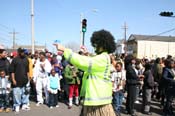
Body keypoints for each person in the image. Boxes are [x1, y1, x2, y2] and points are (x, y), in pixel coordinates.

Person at [54, 29, 116, 116]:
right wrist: (87, 53)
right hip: (97, 101)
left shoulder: (102, 58)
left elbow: (84, 62)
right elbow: (92, 60)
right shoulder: (103, 57)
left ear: (103, 45)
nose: (95, 46)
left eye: (96, 44)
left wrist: (65, 50)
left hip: (98, 102)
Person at [10, 48, 30, 112]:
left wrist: (28, 79)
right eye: (22, 52)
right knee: (16, 94)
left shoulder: (26, 59)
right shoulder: (15, 60)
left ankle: (24, 104)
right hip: (17, 80)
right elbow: (12, 71)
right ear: (19, 52)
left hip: (25, 79)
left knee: (25, 93)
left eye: (24, 52)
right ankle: (17, 105)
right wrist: (13, 79)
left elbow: (27, 71)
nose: (23, 53)